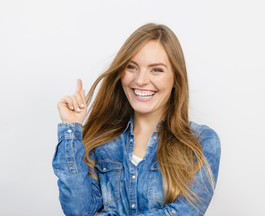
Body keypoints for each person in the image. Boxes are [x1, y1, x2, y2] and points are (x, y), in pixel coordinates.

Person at [52, 23, 221, 216]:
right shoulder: (100, 141)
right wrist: (70, 128)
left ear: (175, 78)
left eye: (156, 70)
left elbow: (185, 212)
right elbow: (78, 211)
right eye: (131, 67)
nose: (141, 80)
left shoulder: (201, 142)